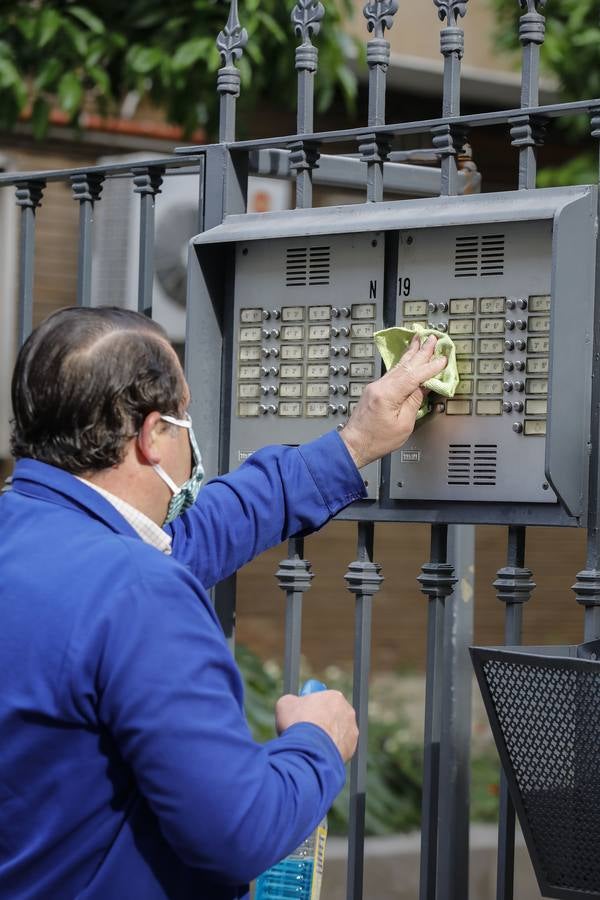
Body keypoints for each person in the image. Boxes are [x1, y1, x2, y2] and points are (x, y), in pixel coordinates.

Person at [0, 307, 446, 900]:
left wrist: (355, 443)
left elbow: (196, 536)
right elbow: (237, 830)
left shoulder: (45, 543)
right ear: (152, 435)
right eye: (183, 418)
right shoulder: (138, 589)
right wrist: (317, 743)